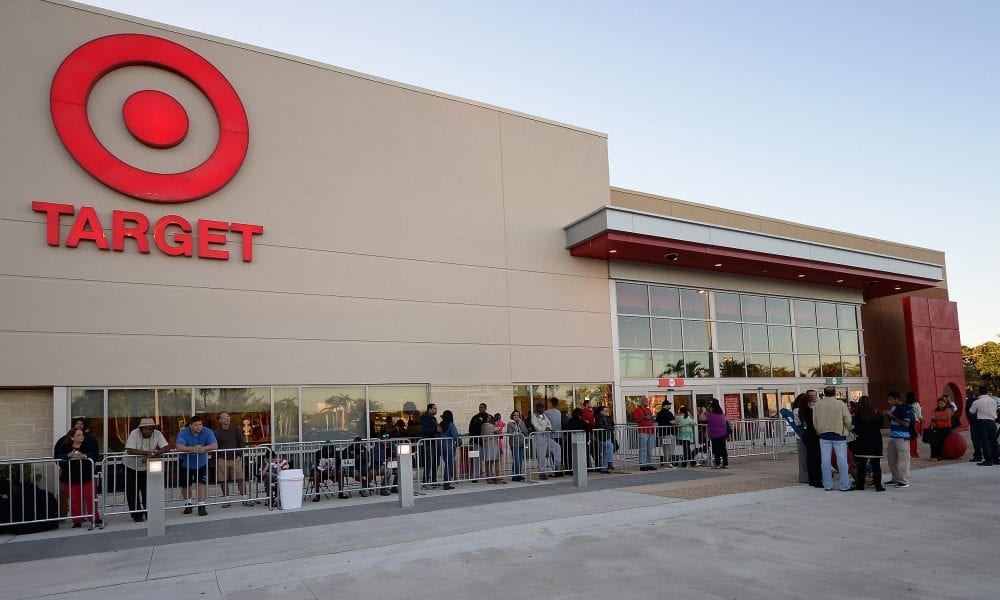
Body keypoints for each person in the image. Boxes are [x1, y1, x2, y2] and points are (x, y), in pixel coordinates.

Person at [123, 417, 169, 521]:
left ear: (153, 429)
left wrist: (153, 453)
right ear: (141, 429)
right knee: (132, 491)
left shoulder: (157, 434)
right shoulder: (134, 433)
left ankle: (149, 512)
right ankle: (136, 515)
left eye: (149, 429)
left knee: (148, 490)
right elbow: (130, 450)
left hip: (147, 466)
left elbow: (166, 447)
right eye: (145, 429)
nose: (147, 431)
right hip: (131, 466)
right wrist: (148, 453)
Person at [55, 428, 101, 528]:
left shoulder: (87, 445)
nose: (82, 436)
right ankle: (77, 520)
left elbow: (93, 454)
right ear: (72, 437)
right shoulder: (65, 446)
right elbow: (58, 457)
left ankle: (95, 518)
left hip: (87, 476)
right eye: (79, 435)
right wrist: (69, 455)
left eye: (82, 434)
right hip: (71, 477)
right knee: (75, 499)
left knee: (91, 497)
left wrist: (84, 456)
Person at [175, 415, 218, 515]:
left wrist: (204, 448)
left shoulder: (207, 431)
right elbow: (179, 447)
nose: (199, 427)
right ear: (190, 426)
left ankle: (201, 506)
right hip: (185, 463)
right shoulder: (183, 432)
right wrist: (193, 448)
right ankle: (188, 504)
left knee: (201, 484)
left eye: (200, 424)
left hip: (201, 462)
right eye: (196, 425)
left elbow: (215, 445)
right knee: (186, 485)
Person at [814, 386, 852, 492]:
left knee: (825, 461)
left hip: (824, 434)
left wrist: (818, 430)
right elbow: (847, 418)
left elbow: (815, 420)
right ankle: (844, 485)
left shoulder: (818, 404)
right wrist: (847, 428)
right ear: (835, 393)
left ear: (824, 393)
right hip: (839, 434)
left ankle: (827, 485)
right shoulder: (840, 404)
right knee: (842, 460)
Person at [213, 412, 252, 508]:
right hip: (222, 459)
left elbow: (241, 442)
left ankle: (245, 499)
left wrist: (239, 455)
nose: (226, 419)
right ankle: (227, 500)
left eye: (228, 417)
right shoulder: (216, 432)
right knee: (223, 480)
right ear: (220, 420)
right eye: (224, 418)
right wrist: (218, 457)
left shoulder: (236, 429)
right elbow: (215, 446)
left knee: (240, 479)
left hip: (236, 458)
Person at [850, 396, 885, 492]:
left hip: (862, 441)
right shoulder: (876, 413)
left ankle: (860, 485)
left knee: (861, 464)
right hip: (876, 441)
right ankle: (878, 486)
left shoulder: (857, 415)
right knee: (876, 465)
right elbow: (881, 425)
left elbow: (855, 428)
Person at [884, 390, 912, 487]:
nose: (889, 401)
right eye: (888, 400)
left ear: (896, 399)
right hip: (893, 436)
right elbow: (892, 421)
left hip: (902, 437)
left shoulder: (906, 408)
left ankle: (904, 481)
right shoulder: (894, 408)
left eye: (890, 399)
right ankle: (895, 478)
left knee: (903, 460)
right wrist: (889, 416)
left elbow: (905, 423)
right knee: (891, 459)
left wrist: (892, 416)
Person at [969, 386, 999, 466]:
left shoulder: (977, 402)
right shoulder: (993, 401)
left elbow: (971, 412)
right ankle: (996, 459)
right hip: (992, 422)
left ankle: (988, 460)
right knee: (994, 442)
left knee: (985, 442)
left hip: (982, 423)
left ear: (979, 392)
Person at [799, 390, 823, 488]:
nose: (814, 398)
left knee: (811, 458)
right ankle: (816, 479)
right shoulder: (808, 410)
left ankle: (813, 479)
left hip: (809, 435)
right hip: (812, 435)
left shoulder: (804, 409)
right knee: (815, 458)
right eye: (812, 397)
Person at [531, 401, 560, 479]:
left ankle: (558, 464)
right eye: (541, 408)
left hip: (547, 436)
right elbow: (537, 426)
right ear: (537, 408)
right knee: (541, 455)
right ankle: (542, 472)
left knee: (557, 447)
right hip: (540, 437)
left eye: (543, 408)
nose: (543, 409)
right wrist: (545, 429)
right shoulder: (534, 416)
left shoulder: (543, 415)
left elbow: (548, 423)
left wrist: (549, 428)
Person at [788, 394, 809, 483]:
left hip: (804, 435)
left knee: (806, 456)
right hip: (801, 436)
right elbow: (797, 423)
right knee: (803, 457)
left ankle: (806, 475)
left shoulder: (802, 409)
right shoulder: (797, 410)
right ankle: (804, 477)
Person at [565, 407, 594, 472]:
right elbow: (589, 427)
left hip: (571, 441)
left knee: (571, 455)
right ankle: (586, 467)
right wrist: (587, 423)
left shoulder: (570, 421)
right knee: (583, 454)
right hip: (581, 442)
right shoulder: (581, 421)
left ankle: (570, 468)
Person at [544, 398, 568, 476]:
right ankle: (560, 471)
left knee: (553, 455)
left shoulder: (547, 412)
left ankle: (555, 472)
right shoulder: (559, 412)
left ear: (551, 403)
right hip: (560, 435)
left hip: (552, 435)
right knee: (559, 454)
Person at [926, 397, 954, 462]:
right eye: (938, 403)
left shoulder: (948, 410)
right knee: (932, 441)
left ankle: (938, 456)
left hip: (945, 428)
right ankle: (932, 456)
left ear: (945, 403)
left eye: (941, 403)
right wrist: (939, 418)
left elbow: (946, 418)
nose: (940, 404)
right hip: (936, 428)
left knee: (939, 441)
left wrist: (937, 418)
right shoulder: (935, 410)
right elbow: (932, 417)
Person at [632, 400, 657, 471]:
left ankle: (649, 464)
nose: (647, 403)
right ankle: (642, 464)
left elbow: (652, 418)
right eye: (646, 401)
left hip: (650, 431)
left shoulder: (648, 409)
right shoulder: (637, 410)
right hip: (643, 431)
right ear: (642, 402)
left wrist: (652, 418)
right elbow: (635, 420)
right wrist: (644, 417)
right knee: (643, 448)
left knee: (650, 448)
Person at [705, 398, 729, 469]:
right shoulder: (721, 414)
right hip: (723, 434)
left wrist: (704, 411)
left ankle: (717, 464)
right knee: (723, 449)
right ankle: (725, 463)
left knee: (716, 449)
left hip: (714, 435)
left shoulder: (710, 414)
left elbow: (702, 418)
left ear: (711, 406)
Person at [468, 403, 489, 482]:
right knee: (476, 459)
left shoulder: (489, 417)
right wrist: (472, 438)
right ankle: (475, 476)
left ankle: (489, 475)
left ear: (485, 408)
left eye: (482, 407)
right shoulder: (475, 417)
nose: (480, 408)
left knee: (488, 458)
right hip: (477, 441)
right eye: (479, 407)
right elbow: (471, 428)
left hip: (487, 442)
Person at [439, 410, 459, 489]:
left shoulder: (440, 424)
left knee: (446, 464)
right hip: (449, 447)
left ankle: (446, 481)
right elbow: (455, 435)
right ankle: (446, 483)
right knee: (449, 465)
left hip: (441, 446)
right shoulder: (451, 425)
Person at [506, 409, 528, 482]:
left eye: (517, 415)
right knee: (516, 459)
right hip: (514, 444)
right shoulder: (510, 424)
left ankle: (518, 474)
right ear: (512, 416)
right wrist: (517, 433)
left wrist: (521, 424)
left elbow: (525, 432)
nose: (516, 417)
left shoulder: (522, 422)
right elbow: (510, 434)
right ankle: (515, 475)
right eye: (514, 415)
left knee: (520, 459)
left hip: (521, 443)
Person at [420, 403, 439, 486]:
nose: (436, 410)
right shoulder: (426, 418)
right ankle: (425, 481)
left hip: (434, 443)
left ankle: (434, 480)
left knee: (435, 462)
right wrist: (436, 429)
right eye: (434, 408)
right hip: (429, 443)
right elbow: (425, 430)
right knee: (429, 462)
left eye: (436, 408)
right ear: (429, 409)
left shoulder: (433, 418)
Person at [481, 415, 504, 484]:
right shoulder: (491, 426)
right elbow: (500, 433)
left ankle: (489, 478)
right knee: (496, 461)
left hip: (486, 445)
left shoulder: (482, 426)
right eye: (490, 418)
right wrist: (496, 426)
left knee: (488, 462)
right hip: (493, 445)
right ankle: (497, 479)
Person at [594, 406, 617, 472]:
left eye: (607, 411)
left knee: (605, 452)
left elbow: (612, 424)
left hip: (608, 436)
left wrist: (610, 424)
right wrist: (609, 427)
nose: (607, 412)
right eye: (605, 411)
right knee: (610, 446)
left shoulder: (607, 417)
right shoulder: (598, 417)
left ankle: (604, 468)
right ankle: (610, 463)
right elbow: (600, 425)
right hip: (602, 437)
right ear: (601, 412)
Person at [656, 399, 678, 469]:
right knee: (669, 448)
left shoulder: (659, 413)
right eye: (669, 404)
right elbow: (672, 421)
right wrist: (677, 422)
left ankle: (667, 462)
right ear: (665, 405)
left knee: (665, 448)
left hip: (661, 433)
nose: (670, 405)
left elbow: (657, 422)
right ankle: (668, 463)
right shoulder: (668, 413)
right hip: (669, 433)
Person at [906, 392, 923, 458]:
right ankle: (914, 453)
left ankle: (909, 452)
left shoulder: (905, 404)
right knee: (914, 438)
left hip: (908, 422)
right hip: (915, 422)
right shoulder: (916, 404)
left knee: (908, 438)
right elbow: (919, 415)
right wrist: (922, 420)